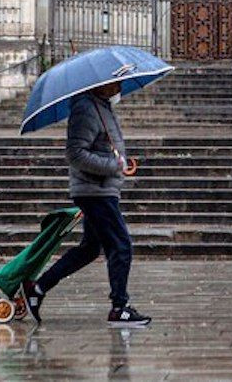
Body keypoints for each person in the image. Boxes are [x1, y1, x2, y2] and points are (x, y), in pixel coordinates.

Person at [22, 80, 151, 328]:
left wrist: (118, 161)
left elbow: (101, 147)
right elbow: (75, 153)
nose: (119, 88)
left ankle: (37, 289)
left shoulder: (101, 107)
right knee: (121, 245)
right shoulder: (86, 109)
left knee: (90, 248)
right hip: (95, 191)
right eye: (115, 83)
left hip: (102, 189)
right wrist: (114, 166)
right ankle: (119, 308)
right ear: (99, 85)